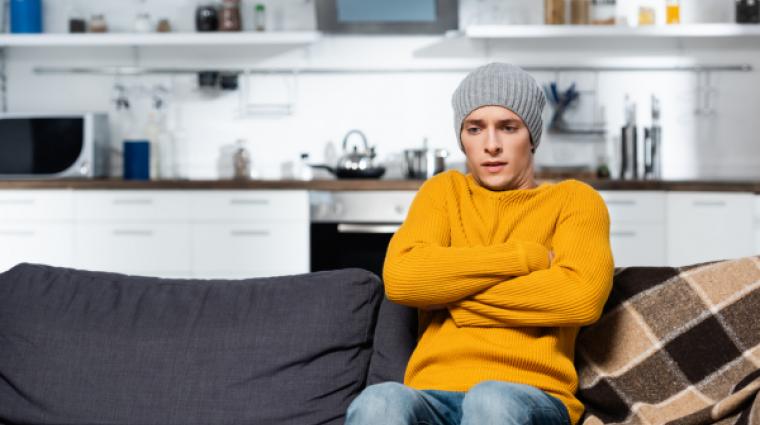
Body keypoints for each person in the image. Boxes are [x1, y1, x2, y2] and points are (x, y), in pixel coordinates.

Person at [345, 63, 614, 425]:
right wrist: (525, 257)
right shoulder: (442, 192)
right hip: (431, 394)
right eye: (475, 129)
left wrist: (452, 296)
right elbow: (403, 278)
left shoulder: (575, 201)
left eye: (508, 127)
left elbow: (579, 297)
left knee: (489, 400)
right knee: (379, 401)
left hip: (528, 395)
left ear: (531, 135)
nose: (491, 145)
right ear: (462, 137)